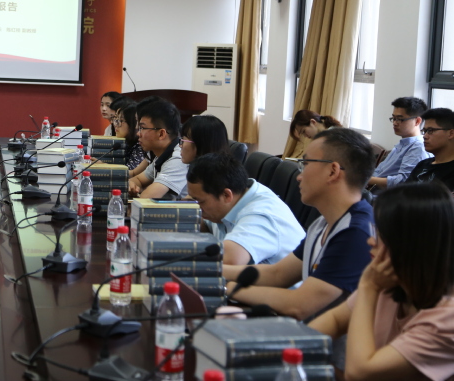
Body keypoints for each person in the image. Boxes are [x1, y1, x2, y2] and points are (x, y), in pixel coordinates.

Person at [224, 128, 374, 321]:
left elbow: (299, 305)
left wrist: (223, 287)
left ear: (332, 171)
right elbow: (277, 274)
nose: (299, 176)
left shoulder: (355, 233)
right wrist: (211, 271)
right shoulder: (323, 222)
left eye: (306, 164)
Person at [309, 183, 454, 381]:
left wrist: (368, 287)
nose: (371, 241)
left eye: (381, 235)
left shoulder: (447, 320)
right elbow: (335, 320)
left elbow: (359, 373)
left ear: (411, 245)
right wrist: (294, 348)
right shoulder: (394, 283)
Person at [187, 153, 304, 265]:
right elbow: (207, 228)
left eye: (200, 201)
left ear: (226, 195)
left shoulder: (261, 215)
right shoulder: (235, 196)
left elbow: (230, 260)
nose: (197, 207)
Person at [127, 100, 187, 199]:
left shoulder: (177, 159)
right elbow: (137, 179)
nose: (138, 133)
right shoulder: (162, 154)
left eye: (142, 128)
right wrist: (132, 186)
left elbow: (146, 199)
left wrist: (140, 189)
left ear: (161, 134)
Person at [368, 97, 431, 190]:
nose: (395, 123)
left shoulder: (418, 147)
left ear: (417, 121)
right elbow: (380, 171)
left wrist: (367, 179)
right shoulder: (403, 144)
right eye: (394, 118)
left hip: (386, 196)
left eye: (400, 119)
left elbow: (403, 182)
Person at [405, 107, 454, 191]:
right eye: (424, 131)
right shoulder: (422, 165)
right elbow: (403, 193)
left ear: (451, 133)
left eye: (430, 131)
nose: (425, 136)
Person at [113, 100, 146, 172]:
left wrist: (104, 166)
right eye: (116, 119)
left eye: (121, 120)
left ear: (133, 123)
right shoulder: (127, 144)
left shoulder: (140, 147)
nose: (116, 125)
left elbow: (129, 172)